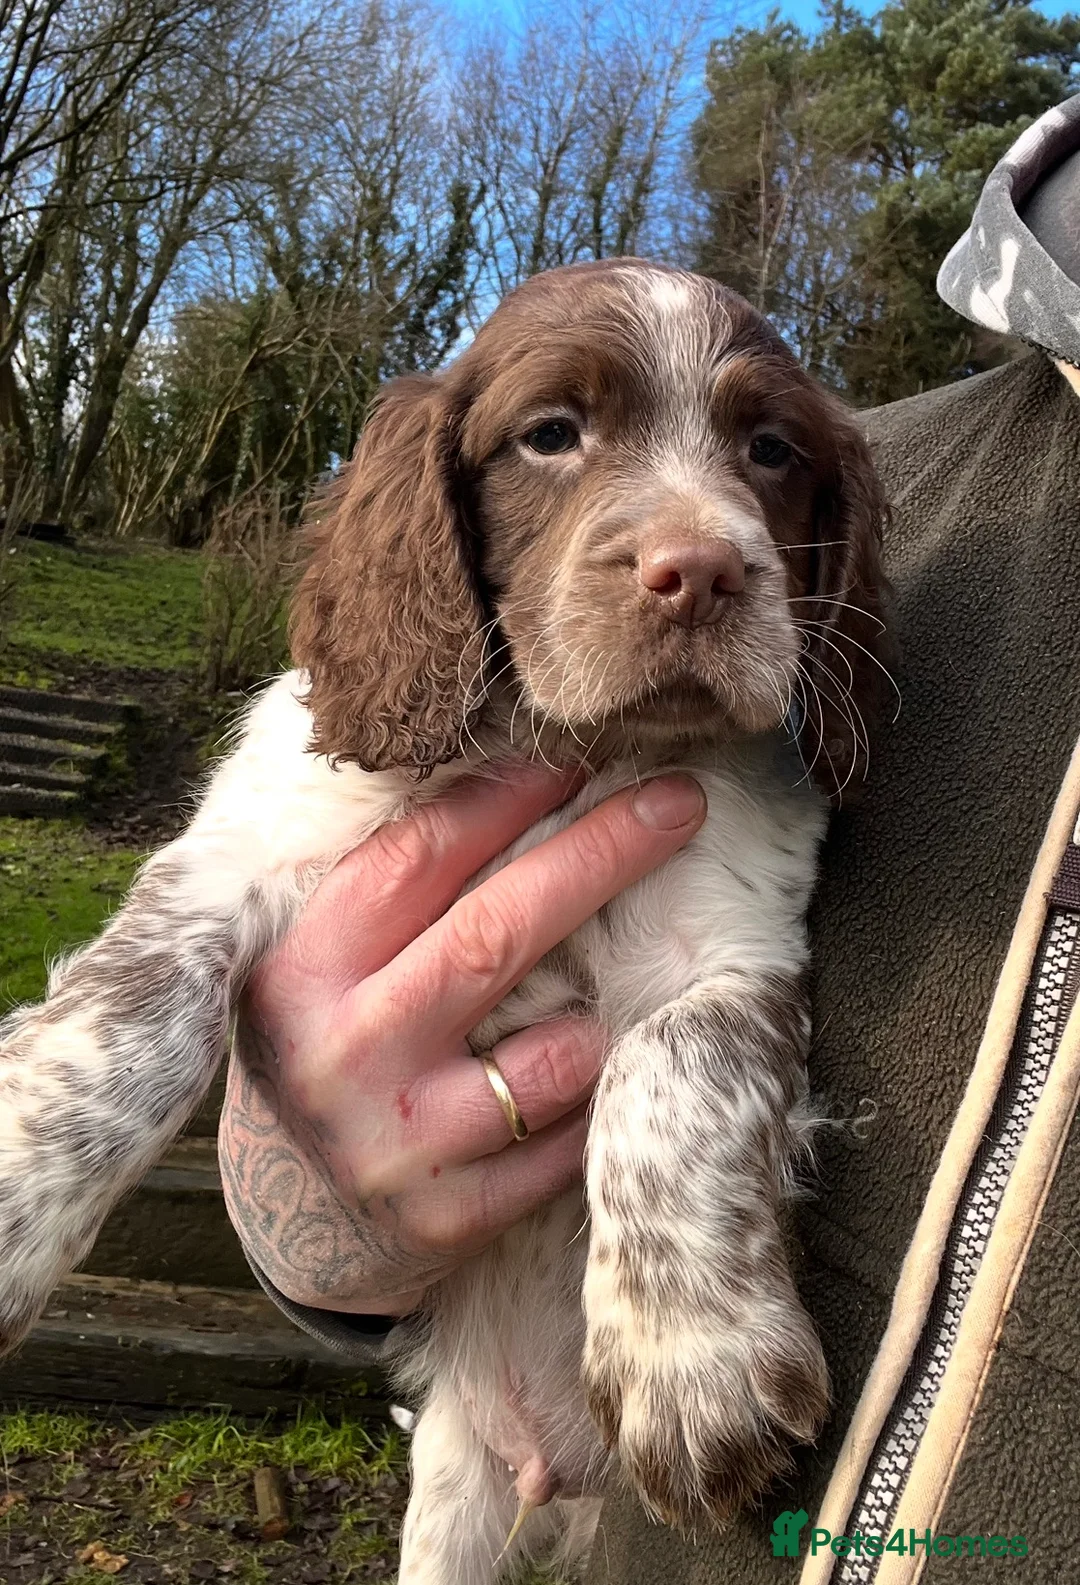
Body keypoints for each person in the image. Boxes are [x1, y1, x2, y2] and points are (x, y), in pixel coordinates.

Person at [220, 94, 1080, 1583]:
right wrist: (313, 1211)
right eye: (560, 433)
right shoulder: (906, 477)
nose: (699, 545)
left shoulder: (825, 512)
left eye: (762, 453)